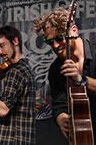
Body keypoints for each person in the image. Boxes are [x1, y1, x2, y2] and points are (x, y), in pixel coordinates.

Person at [33, 8, 96, 140]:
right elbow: (59, 104)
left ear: (73, 30)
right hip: (83, 137)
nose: (55, 45)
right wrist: (61, 119)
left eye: (59, 38)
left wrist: (82, 80)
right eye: (50, 42)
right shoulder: (56, 69)